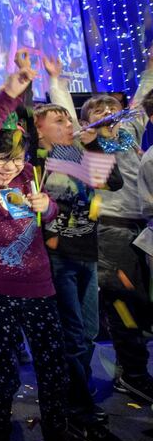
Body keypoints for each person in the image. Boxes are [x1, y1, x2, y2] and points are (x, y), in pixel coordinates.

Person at [0, 59, 92, 441]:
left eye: (12, 158)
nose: (3, 166)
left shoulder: (32, 175)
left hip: (39, 288)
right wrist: (7, 95)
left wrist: (47, 209)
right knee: (2, 375)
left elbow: (56, 207)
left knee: (54, 373)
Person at [34, 57, 130, 441]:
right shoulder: (41, 160)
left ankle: (71, 399)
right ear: (39, 131)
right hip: (57, 260)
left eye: (68, 120)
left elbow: (114, 180)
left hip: (86, 255)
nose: (69, 125)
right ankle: (79, 410)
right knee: (73, 337)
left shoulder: (77, 153)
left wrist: (94, 142)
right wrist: (87, 146)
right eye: (59, 122)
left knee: (87, 335)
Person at [47, 50, 153, 406]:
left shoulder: (128, 135)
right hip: (108, 231)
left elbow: (138, 104)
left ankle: (129, 370)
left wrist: (151, 68)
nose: (107, 114)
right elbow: (65, 114)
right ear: (84, 121)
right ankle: (133, 375)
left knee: (138, 305)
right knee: (123, 302)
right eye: (97, 111)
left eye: (111, 109)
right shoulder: (84, 143)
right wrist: (56, 80)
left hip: (139, 230)